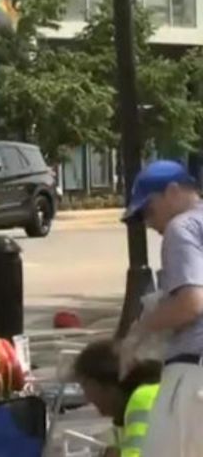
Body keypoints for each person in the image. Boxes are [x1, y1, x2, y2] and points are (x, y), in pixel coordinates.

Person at [120, 160, 203, 457]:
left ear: (173, 191)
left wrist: (140, 329)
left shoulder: (182, 228)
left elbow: (191, 303)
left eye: (149, 210)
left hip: (193, 373)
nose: (148, 222)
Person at [73, 339, 161, 457]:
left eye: (84, 386)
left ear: (96, 383)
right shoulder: (125, 411)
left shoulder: (143, 397)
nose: (87, 398)